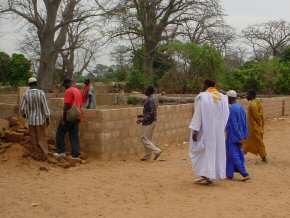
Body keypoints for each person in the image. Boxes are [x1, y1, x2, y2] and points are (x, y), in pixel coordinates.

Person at [189, 80, 229, 185]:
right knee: (214, 152)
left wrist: (195, 131)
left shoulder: (202, 97)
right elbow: (226, 114)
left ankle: (207, 175)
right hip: (217, 132)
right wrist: (220, 127)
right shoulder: (223, 98)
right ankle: (208, 175)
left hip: (205, 131)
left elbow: (198, 115)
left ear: (205, 85)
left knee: (202, 152)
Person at [20, 77, 50, 160]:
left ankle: (36, 154)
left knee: (33, 138)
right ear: (36, 84)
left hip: (31, 121)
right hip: (41, 120)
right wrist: (47, 118)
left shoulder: (25, 94)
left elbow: (22, 109)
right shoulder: (41, 93)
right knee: (41, 137)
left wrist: (25, 115)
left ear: (29, 85)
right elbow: (45, 107)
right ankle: (44, 154)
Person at [54, 79, 82, 160]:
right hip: (77, 115)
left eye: (64, 85)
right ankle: (75, 155)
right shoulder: (77, 90)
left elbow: (66, 105)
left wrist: (63, 118)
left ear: (66, 84)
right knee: (74, 135)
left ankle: (61, 152)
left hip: (70, 116)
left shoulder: (68, 91)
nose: (64, 87)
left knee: (60, 132)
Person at [226, 90, 250, 181]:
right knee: (232, 154)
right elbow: (245, 122)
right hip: (241, 135)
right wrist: (244, 135)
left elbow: (234, 124)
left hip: (233, 136)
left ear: (229, 98)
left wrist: (239, 137)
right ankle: (229, 174)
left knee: (233, 154)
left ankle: (244, 173)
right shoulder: (240, 108)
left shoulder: (231, 109)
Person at [137, 86, 162, 161]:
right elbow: (151, 112)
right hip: (151, 120)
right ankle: (147, 156)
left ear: (149, 91)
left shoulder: (150, 100)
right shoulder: (153, 98)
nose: (145, 91)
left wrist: (142, 119)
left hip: (149, 122)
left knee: (143, 138)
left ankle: (157, 151)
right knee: (148, 139)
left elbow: (151, 113)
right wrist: (142, 116)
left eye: (146, 90)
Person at [243, 90, 267, 163]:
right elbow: (260, 114)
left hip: (253, 128)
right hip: (253, 127)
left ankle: (264, 157)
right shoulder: (257, 102)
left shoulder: (252, 105)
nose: (246, 96)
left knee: (258, 142)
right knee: (247, 142)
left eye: (247, 95)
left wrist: (259, 125)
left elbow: (257, 117)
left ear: (251, 95)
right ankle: (240, 155)